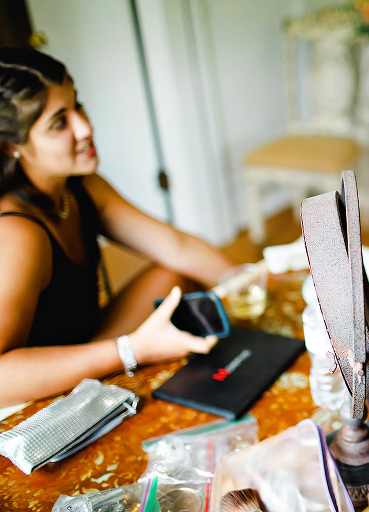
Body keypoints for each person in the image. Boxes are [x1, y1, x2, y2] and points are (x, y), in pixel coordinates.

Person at [0, 47, 237, 407]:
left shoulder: (81, 187)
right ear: (11, 146)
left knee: (176, 277)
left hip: (86, 347)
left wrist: (252, 283)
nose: (85, 127)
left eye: (78, 106)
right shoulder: (17, 234)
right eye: (59, 123)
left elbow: (177, 248)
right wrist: (131, 351)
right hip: (33, 395)